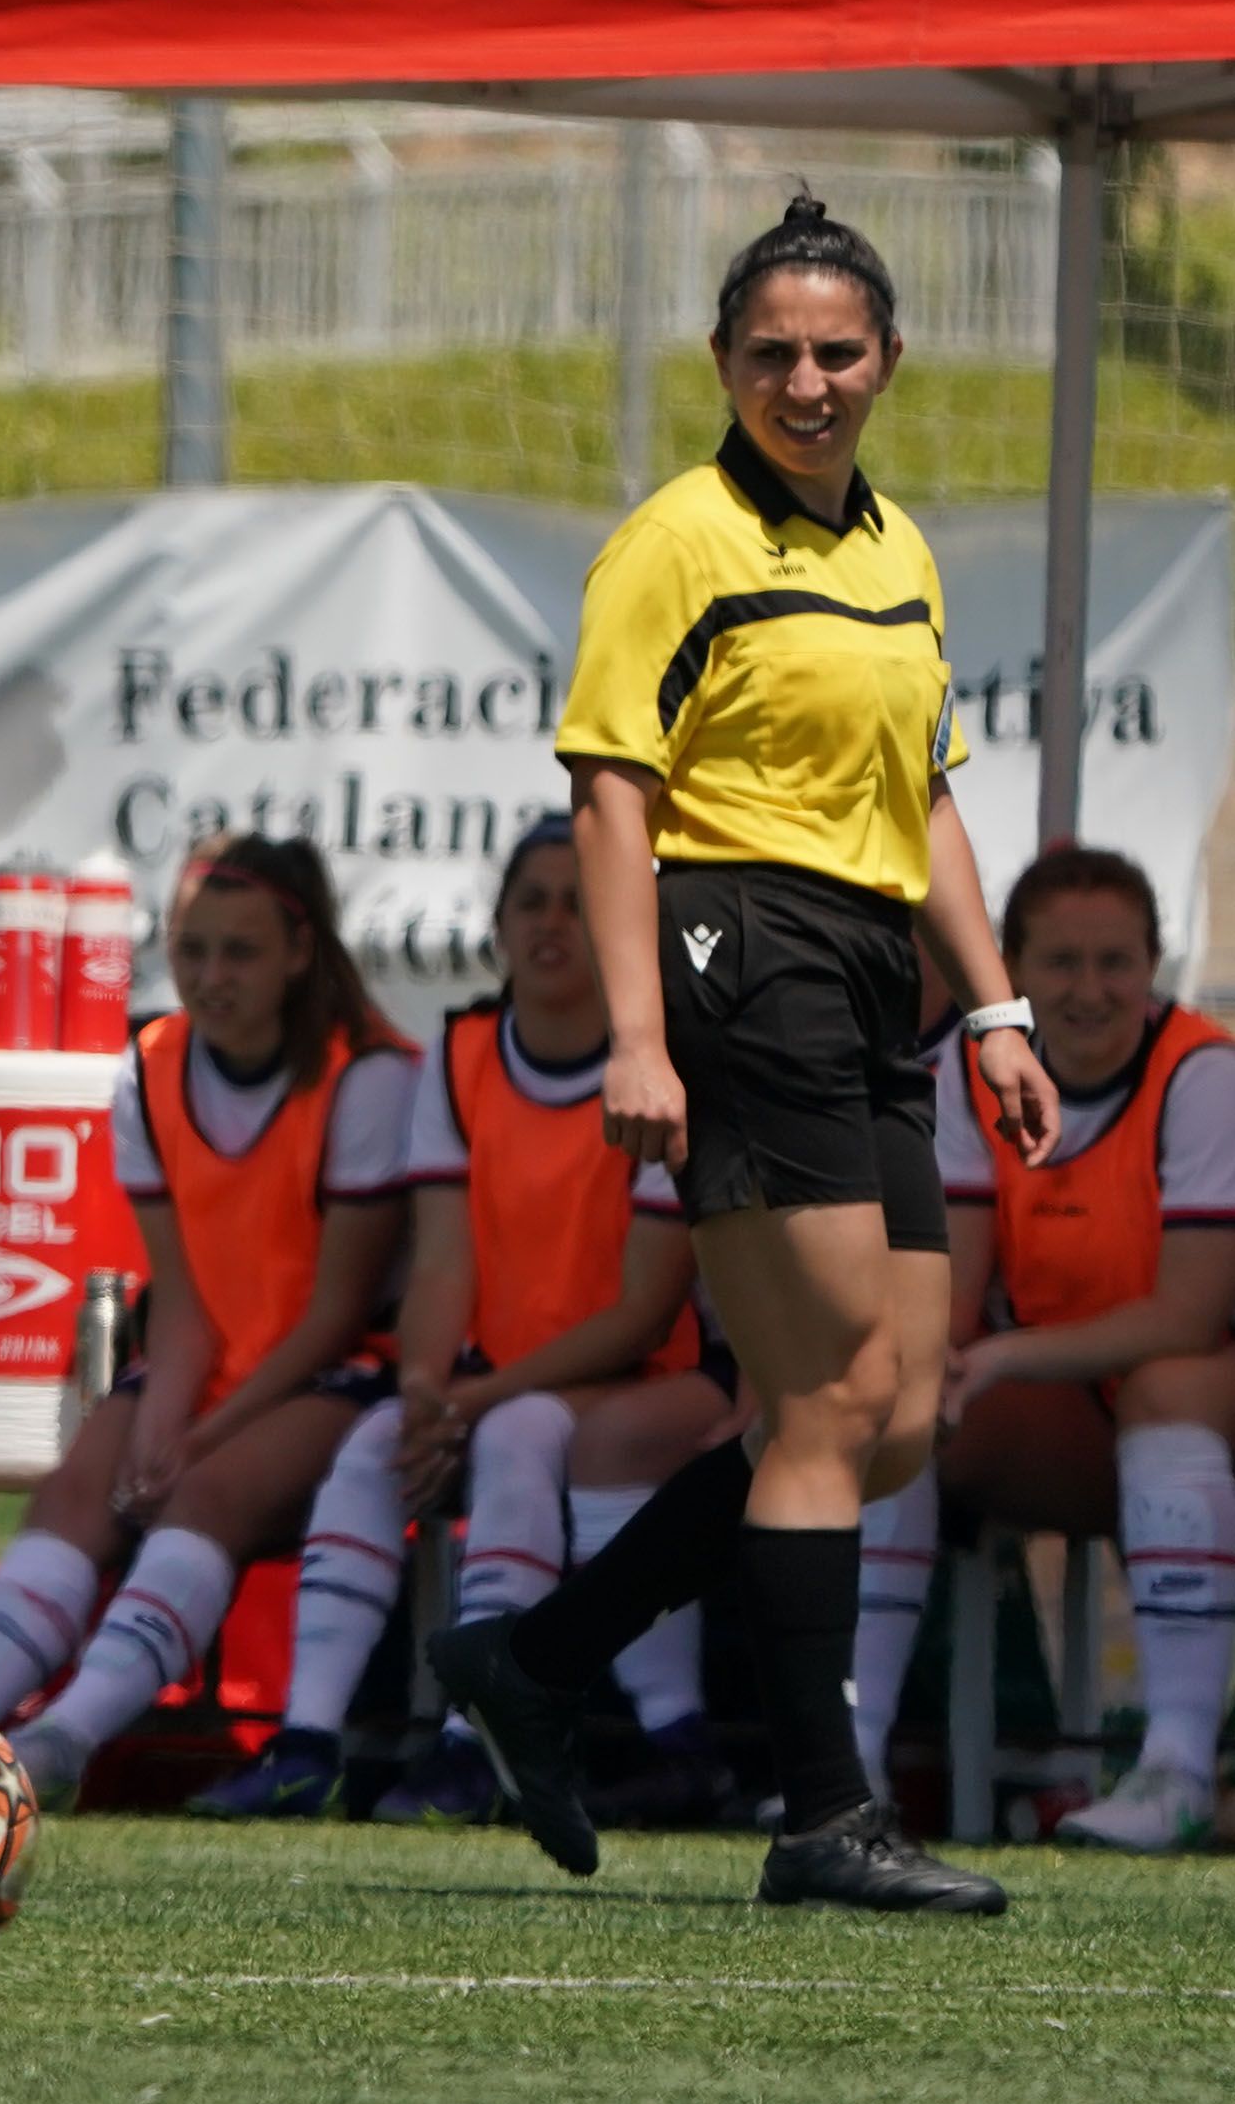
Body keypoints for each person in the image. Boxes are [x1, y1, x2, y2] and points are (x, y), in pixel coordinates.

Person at [431, 191, 1059, 1917]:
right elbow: (611, 792)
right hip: (734, 941)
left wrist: (991, 1003)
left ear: (887, 361)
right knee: (826, 1389)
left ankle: (539, 1660)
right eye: (770, 352)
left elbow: (918, 794)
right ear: (720, 362)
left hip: (866, 966)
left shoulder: (898, 553)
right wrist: (637, 1032)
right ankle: (820, 1819)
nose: (803, 379)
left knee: (899, 1414)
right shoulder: (672, 542)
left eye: (834, 351)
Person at [187, 816, 732, 1827]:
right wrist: (429, 1390)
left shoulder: (656, 1067)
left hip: (646, 1380)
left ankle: (494, 1743)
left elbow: (642, 1311)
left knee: (519, 1437)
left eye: (579, 901)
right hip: (499, 1382)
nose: (553, 923)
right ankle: (307, 1745)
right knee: (374, 1448)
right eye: (531, 900)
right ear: (496, 923)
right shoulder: (462, 1053)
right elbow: (442, 1256)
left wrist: (474, 1398)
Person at [0, 835, 414, 1802]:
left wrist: (204, 1437)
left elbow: (337, 1313)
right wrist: (160, 1419)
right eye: (193, 950)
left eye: (240, 952)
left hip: (344, 1370)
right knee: (76, 1491)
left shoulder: (370, 1077)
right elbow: (182, 1295)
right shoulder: (149, 1067)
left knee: (210, 1495)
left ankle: (65, 1740)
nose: (211, 976)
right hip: (217, 1362)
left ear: (298, 953)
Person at [849, 844, 1235, 1853]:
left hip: (1190, 1395)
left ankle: (1178, 1766)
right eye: (1060, 964)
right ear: (1011, 971)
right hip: (1081, 1408)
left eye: (1115, 963)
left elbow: (1190, 1316)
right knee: (902, 1405)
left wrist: (1008, 1356)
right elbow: (950, 1289)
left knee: (1166, 1385)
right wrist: (932, 1368)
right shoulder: (967, 1079)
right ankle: (844, 1762)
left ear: (1153, 965)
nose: (1089, 990)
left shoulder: (1201, 1073)